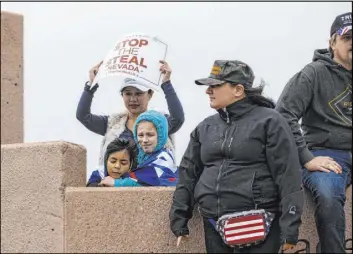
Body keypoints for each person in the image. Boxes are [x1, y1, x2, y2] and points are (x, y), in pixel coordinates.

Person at [169, 60, 304, 253]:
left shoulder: (270, 121)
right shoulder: (205, 127)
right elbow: (188, 173)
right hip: (214, 225)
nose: (208, 91)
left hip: (259, 226)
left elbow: (288, 175)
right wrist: (179, 218)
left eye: (215, 85)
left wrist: (290, 229)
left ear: (238, 89)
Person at [275, 12, 352, 253]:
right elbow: (283, 115)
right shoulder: (312, 74)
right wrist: (307, 158)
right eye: (349, 37)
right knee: (329, 198)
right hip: (326, 154)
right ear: (332, 43)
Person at [76, 60, 185, 166]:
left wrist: (166, 83)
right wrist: (91, 85)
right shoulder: (112, 123)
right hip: (114, 182)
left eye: (138, 93)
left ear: (150, 94)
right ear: (122, 95)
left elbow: (178, 119)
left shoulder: (159, 122)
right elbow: (83, 116)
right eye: (128, 94)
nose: (133, 99)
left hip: (150, 182)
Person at [105, 110, 179, 187]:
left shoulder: (164, 158)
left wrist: (116, 183)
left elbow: (147, 183)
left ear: (161, 135)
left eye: (150, 135)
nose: (144, 140)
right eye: (140, 135)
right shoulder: (140, 157)